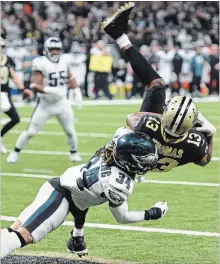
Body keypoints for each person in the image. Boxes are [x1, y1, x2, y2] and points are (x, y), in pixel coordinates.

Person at [0, 131, 168, 259]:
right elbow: (122, 217)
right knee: (24, 235)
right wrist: (151, 213)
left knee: (13, 230)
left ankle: (76, 238)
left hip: (59, 187)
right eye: (144, 161)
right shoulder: (117, 184)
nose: (149, 164)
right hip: (61, 197)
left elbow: (83, 202)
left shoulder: (113, 147)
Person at [101, 2, 215, 171]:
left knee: (157, 85)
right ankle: (119, 34)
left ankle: (119, 35)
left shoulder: (149, 124)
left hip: (130, 156)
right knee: (158, 85)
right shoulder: (194, 144)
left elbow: (131, 118)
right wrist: (211, 133)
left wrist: (168, 117)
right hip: (150, 162)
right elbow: (206, 159)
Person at [7, 37, 83, 163]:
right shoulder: (40, 62)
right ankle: (15, 152)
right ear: (46, 49)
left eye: (57, 49)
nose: (54, 52)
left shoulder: (64, 60)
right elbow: (34, 85)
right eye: (52, 49)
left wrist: (77, 91)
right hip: (45, 104)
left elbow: (70, 76)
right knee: (31, 131)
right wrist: (50, 90)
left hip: (62, 103)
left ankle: (73, 153)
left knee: (70, 131)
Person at [0, 38, 33, 153]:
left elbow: (13, 75)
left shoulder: (7, 60)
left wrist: (23, 89)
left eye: (2, 47)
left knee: (15, 119)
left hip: (5, 93)